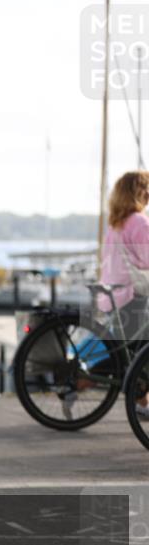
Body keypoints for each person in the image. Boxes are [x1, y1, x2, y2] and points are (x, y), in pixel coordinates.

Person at [97, 170, 149, 416]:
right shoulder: (139, 222)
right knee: (139, 353)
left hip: (112, 295)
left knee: (131, 353)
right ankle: (78, 381)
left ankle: (142, 403)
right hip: (131, 295)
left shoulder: (115, 223)